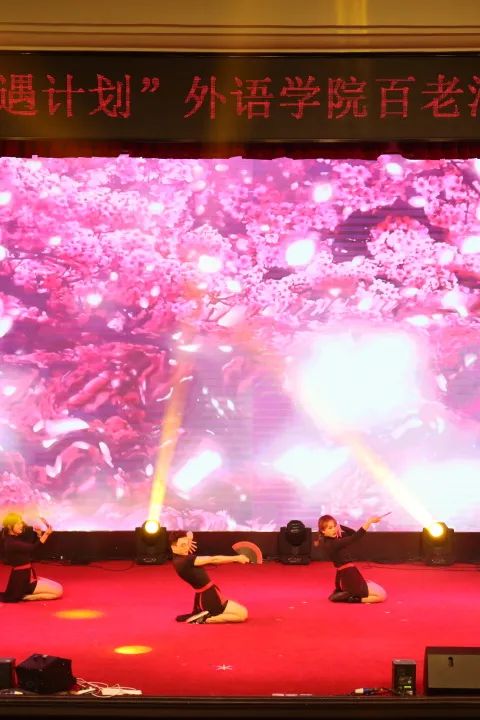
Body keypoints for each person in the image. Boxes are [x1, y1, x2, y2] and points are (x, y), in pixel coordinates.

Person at [169, 530, 249, 623]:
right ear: (173, 547)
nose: (186, 547)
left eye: (187, 544)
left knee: (238, 609)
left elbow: (188, 535)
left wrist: (188, 539)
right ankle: (207, 619)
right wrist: (236, 558)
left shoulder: (178, 558)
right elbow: (213, 559)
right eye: (183, 545)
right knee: (242, 614)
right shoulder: (186, 561)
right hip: (209, 598)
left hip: (205, 595)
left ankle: (206, 615)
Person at [317, 514, 387, 604]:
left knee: (376, 588)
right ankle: (355, 599)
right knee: (382, 595)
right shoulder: (333, 543)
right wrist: (369, 522)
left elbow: (353, 533)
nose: (334, 529)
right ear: (323, 531)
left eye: (334, 526)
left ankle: (349, 594)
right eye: (330, 528)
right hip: (349, 577)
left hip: (347, 575)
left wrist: (340, 526)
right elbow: (355, 537)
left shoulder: (332, 540)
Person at [0, 512, 63, 602]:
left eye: (21, 523)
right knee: (59, 591)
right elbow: (32, 548)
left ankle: (25, 593)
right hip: (22, 581)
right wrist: (46, 534)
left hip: (26, 576)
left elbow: (31, 548)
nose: (21, 525)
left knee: (57, 586)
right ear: (10, 526)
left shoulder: (13, 538)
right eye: (18, 524)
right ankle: (25, 597)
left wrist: (39, 535)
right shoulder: (11, 542)